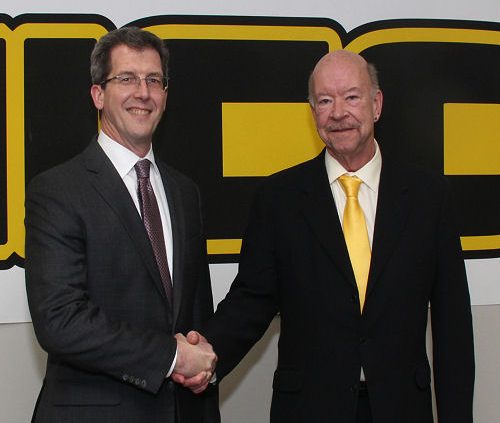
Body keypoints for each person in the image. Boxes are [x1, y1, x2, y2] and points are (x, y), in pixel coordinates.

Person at [177, 50, 475, 422]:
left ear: (376, 104)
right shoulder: (278, 199)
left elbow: (453, 327)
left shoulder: (429, 197)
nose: (338, 113)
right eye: (325, 101)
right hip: (309, 410)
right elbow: (251, 301)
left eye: (351, 97)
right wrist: (204, 354)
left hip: (402, 409)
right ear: (312, 111)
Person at [25, 27, 219, 423]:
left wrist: (202, 364)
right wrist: (172, 356)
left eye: (154, 80)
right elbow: (60, 320)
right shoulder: (57, 191)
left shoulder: (185, 192)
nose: (143, 93)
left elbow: (197, 312)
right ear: (98, 95)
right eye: (127, 79)